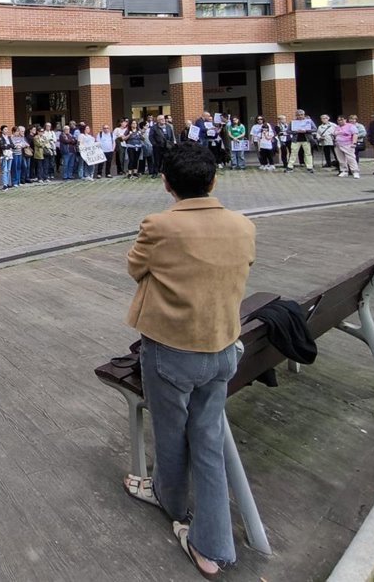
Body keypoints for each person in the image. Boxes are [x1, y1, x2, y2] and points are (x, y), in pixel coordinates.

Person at [123, 143, 255, 578]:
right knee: (208, 440)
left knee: (170, 430)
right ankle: (213, 545)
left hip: (171, 350)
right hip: (221, 349)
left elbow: (135, 268)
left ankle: (171, 500)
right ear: (214, 180)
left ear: (166, 183)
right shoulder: (242, 225)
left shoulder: (159, 225)